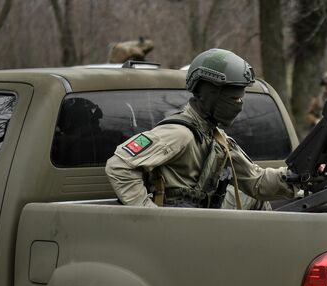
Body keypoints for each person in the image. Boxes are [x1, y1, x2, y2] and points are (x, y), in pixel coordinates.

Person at [105, 48, 296, 209]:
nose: (239, 105)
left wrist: (296, 176)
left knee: (254, 199)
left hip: (203, 217)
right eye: (234, 99)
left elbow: (256, 181)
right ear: (209, 95)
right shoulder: (180, 134)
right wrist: (150, 216)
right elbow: (119, 165)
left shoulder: (216, 137)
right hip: (181, 225)